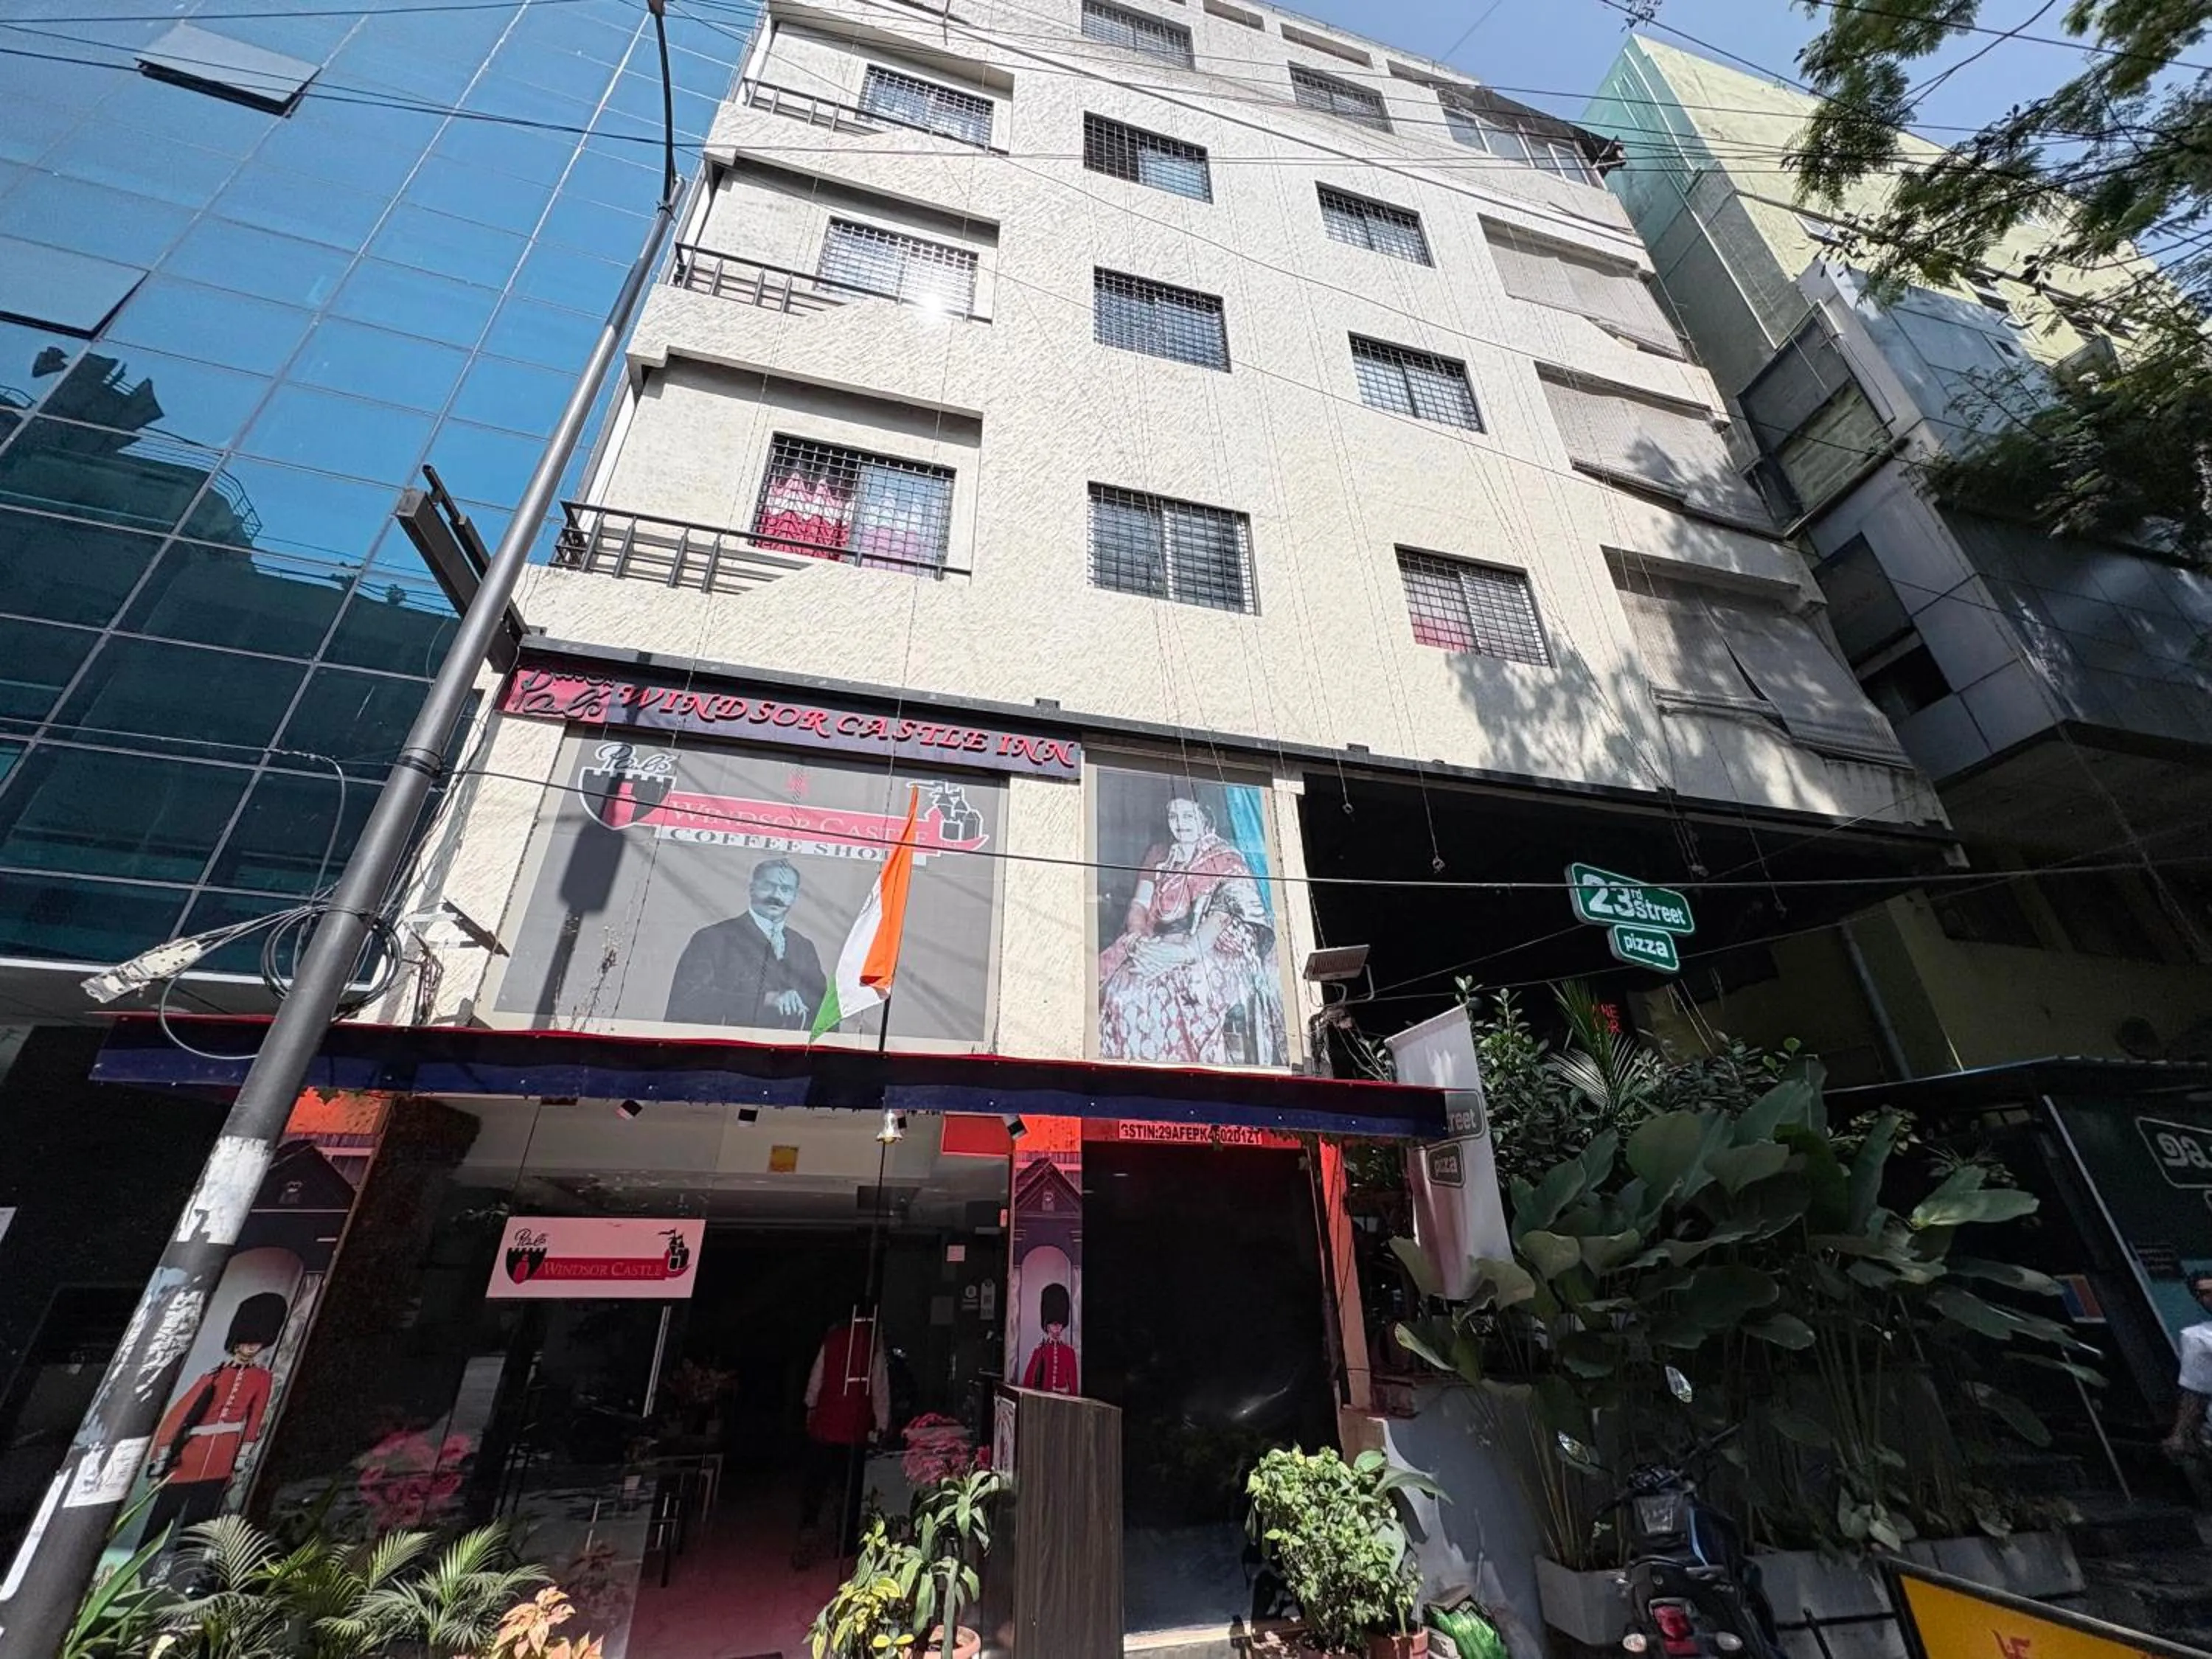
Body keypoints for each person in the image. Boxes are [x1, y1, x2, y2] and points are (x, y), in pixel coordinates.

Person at [1098, 796, 1287, 1065]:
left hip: (1213, 949)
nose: (1180, 824)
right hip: (1157, 944)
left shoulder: (1225, 858)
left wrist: (1180, 954)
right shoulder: (1160, 855)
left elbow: (1225, 917)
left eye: (1188, 816)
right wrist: (1139, 940)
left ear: (1205, 817)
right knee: (1123, 989)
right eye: (1174, 816)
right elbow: (1140, 903)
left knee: (1181, 986)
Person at [144, 1292, 286, 1537]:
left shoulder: (262, 1379)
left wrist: (240, 1461)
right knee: (158, 1526)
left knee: (198, 1530)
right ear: (236, 1340)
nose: (252, 1345)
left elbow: (254, 1420)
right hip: (189, 1459)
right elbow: (176, 1418)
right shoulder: (213, 1376)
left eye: (257, 1340)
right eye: (247, 1340)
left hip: (221, 1462)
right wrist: (160, 1464)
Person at [664, 856, 827, 1029]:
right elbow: (688, 1000)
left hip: (789, 1054)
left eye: (785, 890)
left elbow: (823, 1008)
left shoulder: (804, 947)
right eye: (768, 886)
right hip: (725, 1052)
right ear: (752, 889)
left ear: (795, 896)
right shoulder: (712, 938)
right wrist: (766, 999)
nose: (776, 896)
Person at [796, 1309, 890, 1568]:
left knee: (816, 1485)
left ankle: (808, 1530)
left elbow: (817, 1379)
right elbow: (880, 1389)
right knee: (849, 1488)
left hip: (825, 1425)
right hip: (854, 1428)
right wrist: (882, 1424)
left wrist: (810, 1407)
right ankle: (845, 1545)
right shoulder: (872, 1347)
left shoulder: (833, 1340)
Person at [2162, 1270, 2212, 1467]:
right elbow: (2194, 1393)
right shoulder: (2198, 1338)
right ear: (2198, 1299)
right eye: (2206, 1293)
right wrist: (2180, 1435)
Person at [1020, 1281, 1079, 1395]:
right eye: (1053, 1325)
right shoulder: (1039, 1351)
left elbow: (1073, 1387)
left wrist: (1066, 1391)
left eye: (1059, 1325)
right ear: (1047, 1326)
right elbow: (1028, 1383)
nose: (1057, 1329)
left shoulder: (1069, 1352)